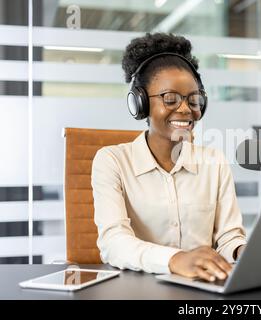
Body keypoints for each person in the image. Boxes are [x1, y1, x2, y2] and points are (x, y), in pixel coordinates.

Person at [91, 33, 246, 283]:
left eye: (193, 100)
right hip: (138, 290)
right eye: (170, 99)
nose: (185, 109)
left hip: (203, 287)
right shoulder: (112, 161)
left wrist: (241, 251)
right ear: (140, 104)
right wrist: (175, 260)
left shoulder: (214, 162)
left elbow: (228, 237)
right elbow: (113, 243)